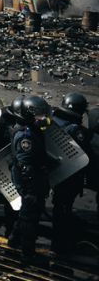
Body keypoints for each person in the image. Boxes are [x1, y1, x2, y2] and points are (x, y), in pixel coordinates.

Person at [8, 96, 58, 259]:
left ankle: (14, 239)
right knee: (30, 215)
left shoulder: (30, 129)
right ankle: (27, 251)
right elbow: (25, 164)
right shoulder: (26, 135)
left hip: (31, 177)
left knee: (26, 212)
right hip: (29, 179)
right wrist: (30, 190)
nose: (43, 119)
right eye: (39, 115)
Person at [51, 92, 91, 255]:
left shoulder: (54, 122)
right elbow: (82, 152)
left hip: (56, 171)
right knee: (63, 208)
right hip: (70, 175)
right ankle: (60, 245)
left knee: (59, 206)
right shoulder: (75, 129)